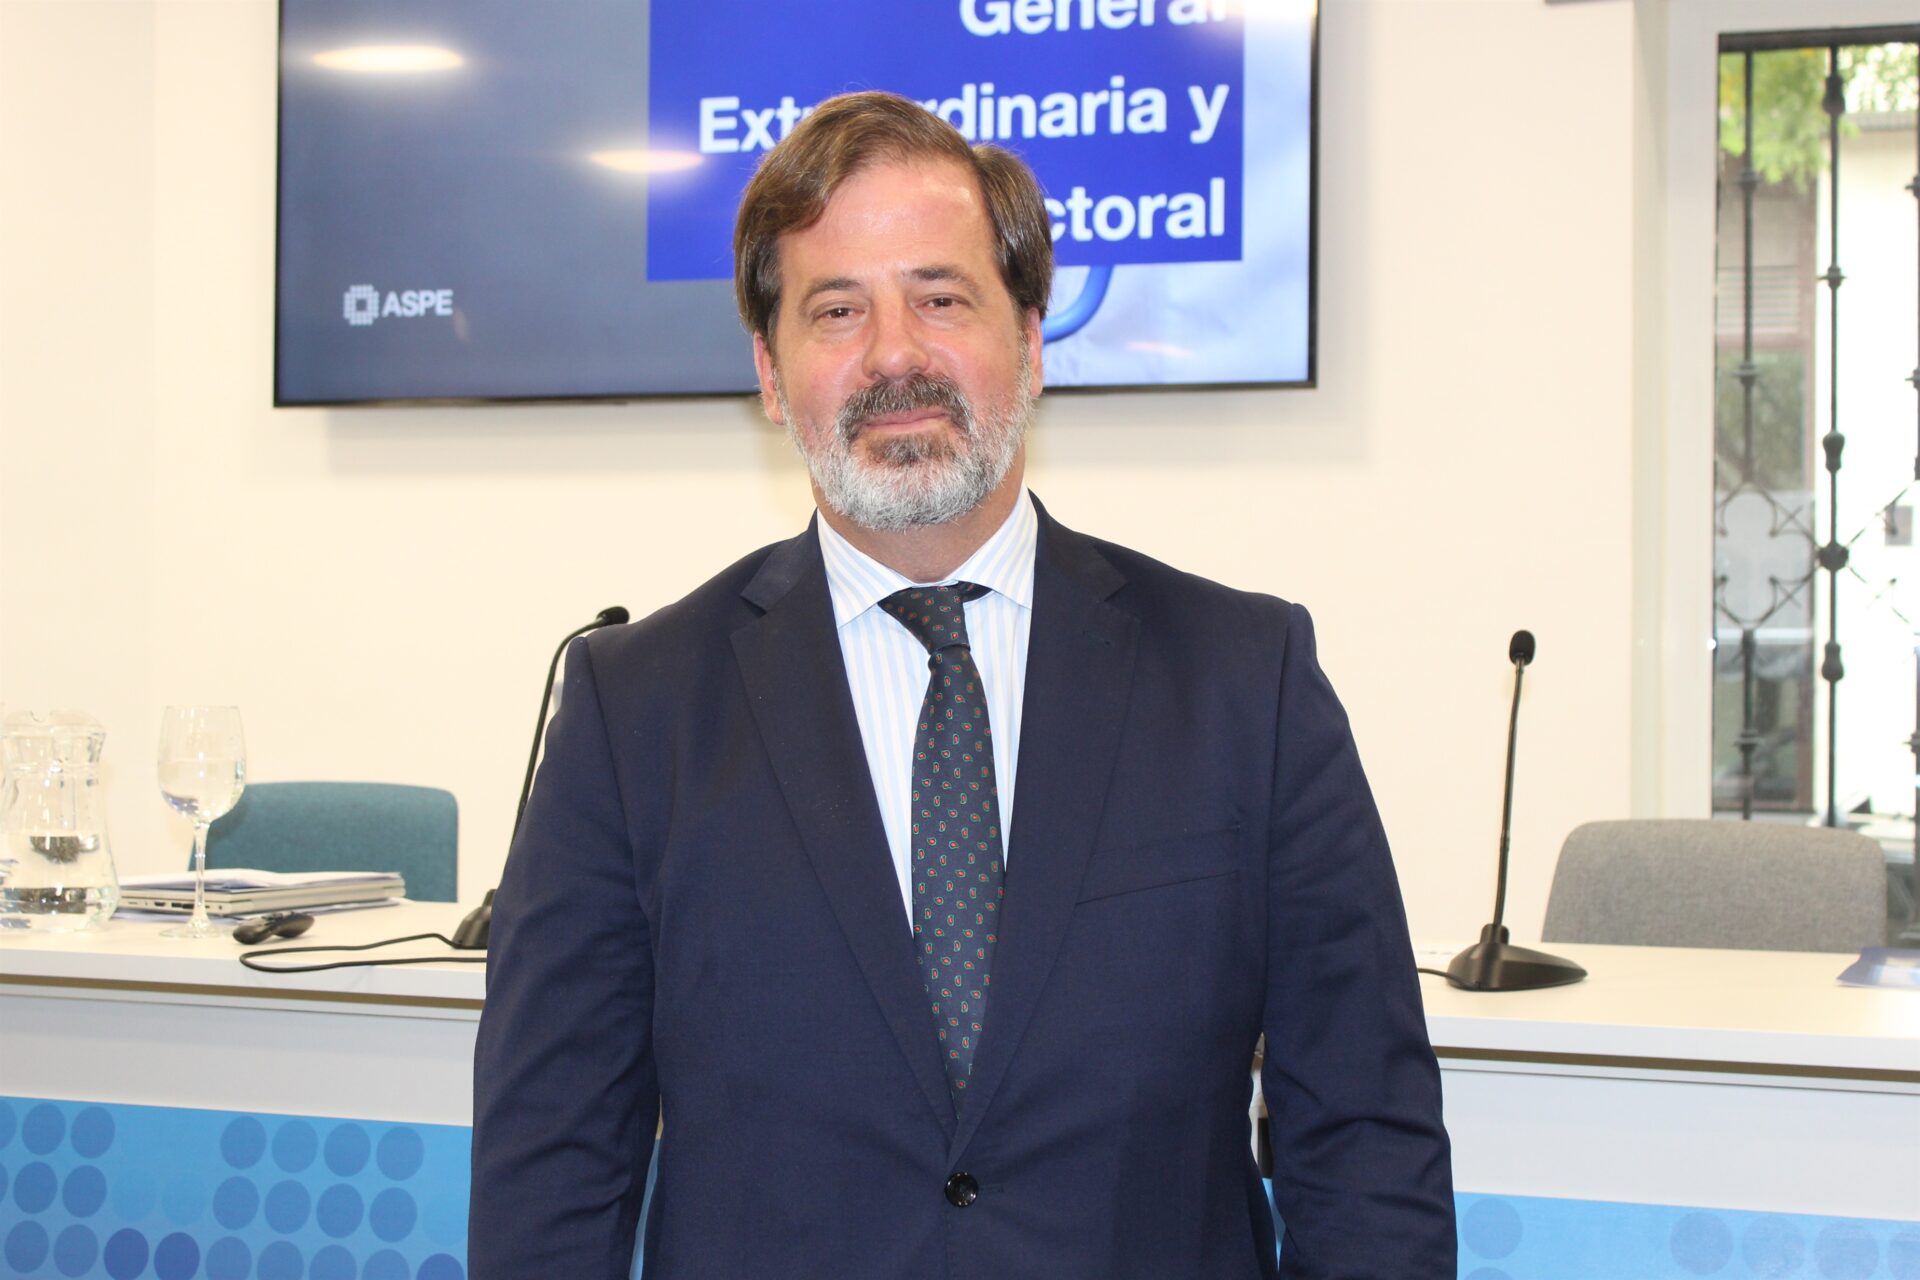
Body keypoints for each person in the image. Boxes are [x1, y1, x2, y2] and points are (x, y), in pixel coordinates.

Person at [470, 91, 1454, 1280]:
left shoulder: (1248, 679)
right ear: (771, 374)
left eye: (940, 297)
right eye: (837, 309)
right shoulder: (634, 710)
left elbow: (1366, 1137)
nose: (894, 354)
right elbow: (552, 1164)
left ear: (1030, 343)